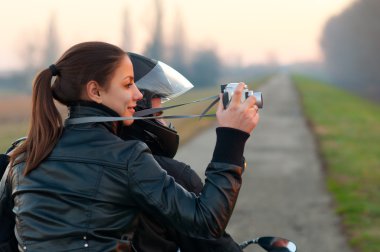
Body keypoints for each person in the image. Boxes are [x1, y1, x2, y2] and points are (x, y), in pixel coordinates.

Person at [0, 41, 260, 252]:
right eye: (127, 84)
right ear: (95, 91)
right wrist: (232, 136)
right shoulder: (127, 157)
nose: (138, 94)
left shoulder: (21, 157)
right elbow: (206, 222)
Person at [120, 52, 243, 251]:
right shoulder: (171, 176)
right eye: (158, 114)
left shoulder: (59, 162)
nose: (163, 122)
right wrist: (234, 138)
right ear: (134, 109)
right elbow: (213, 238)